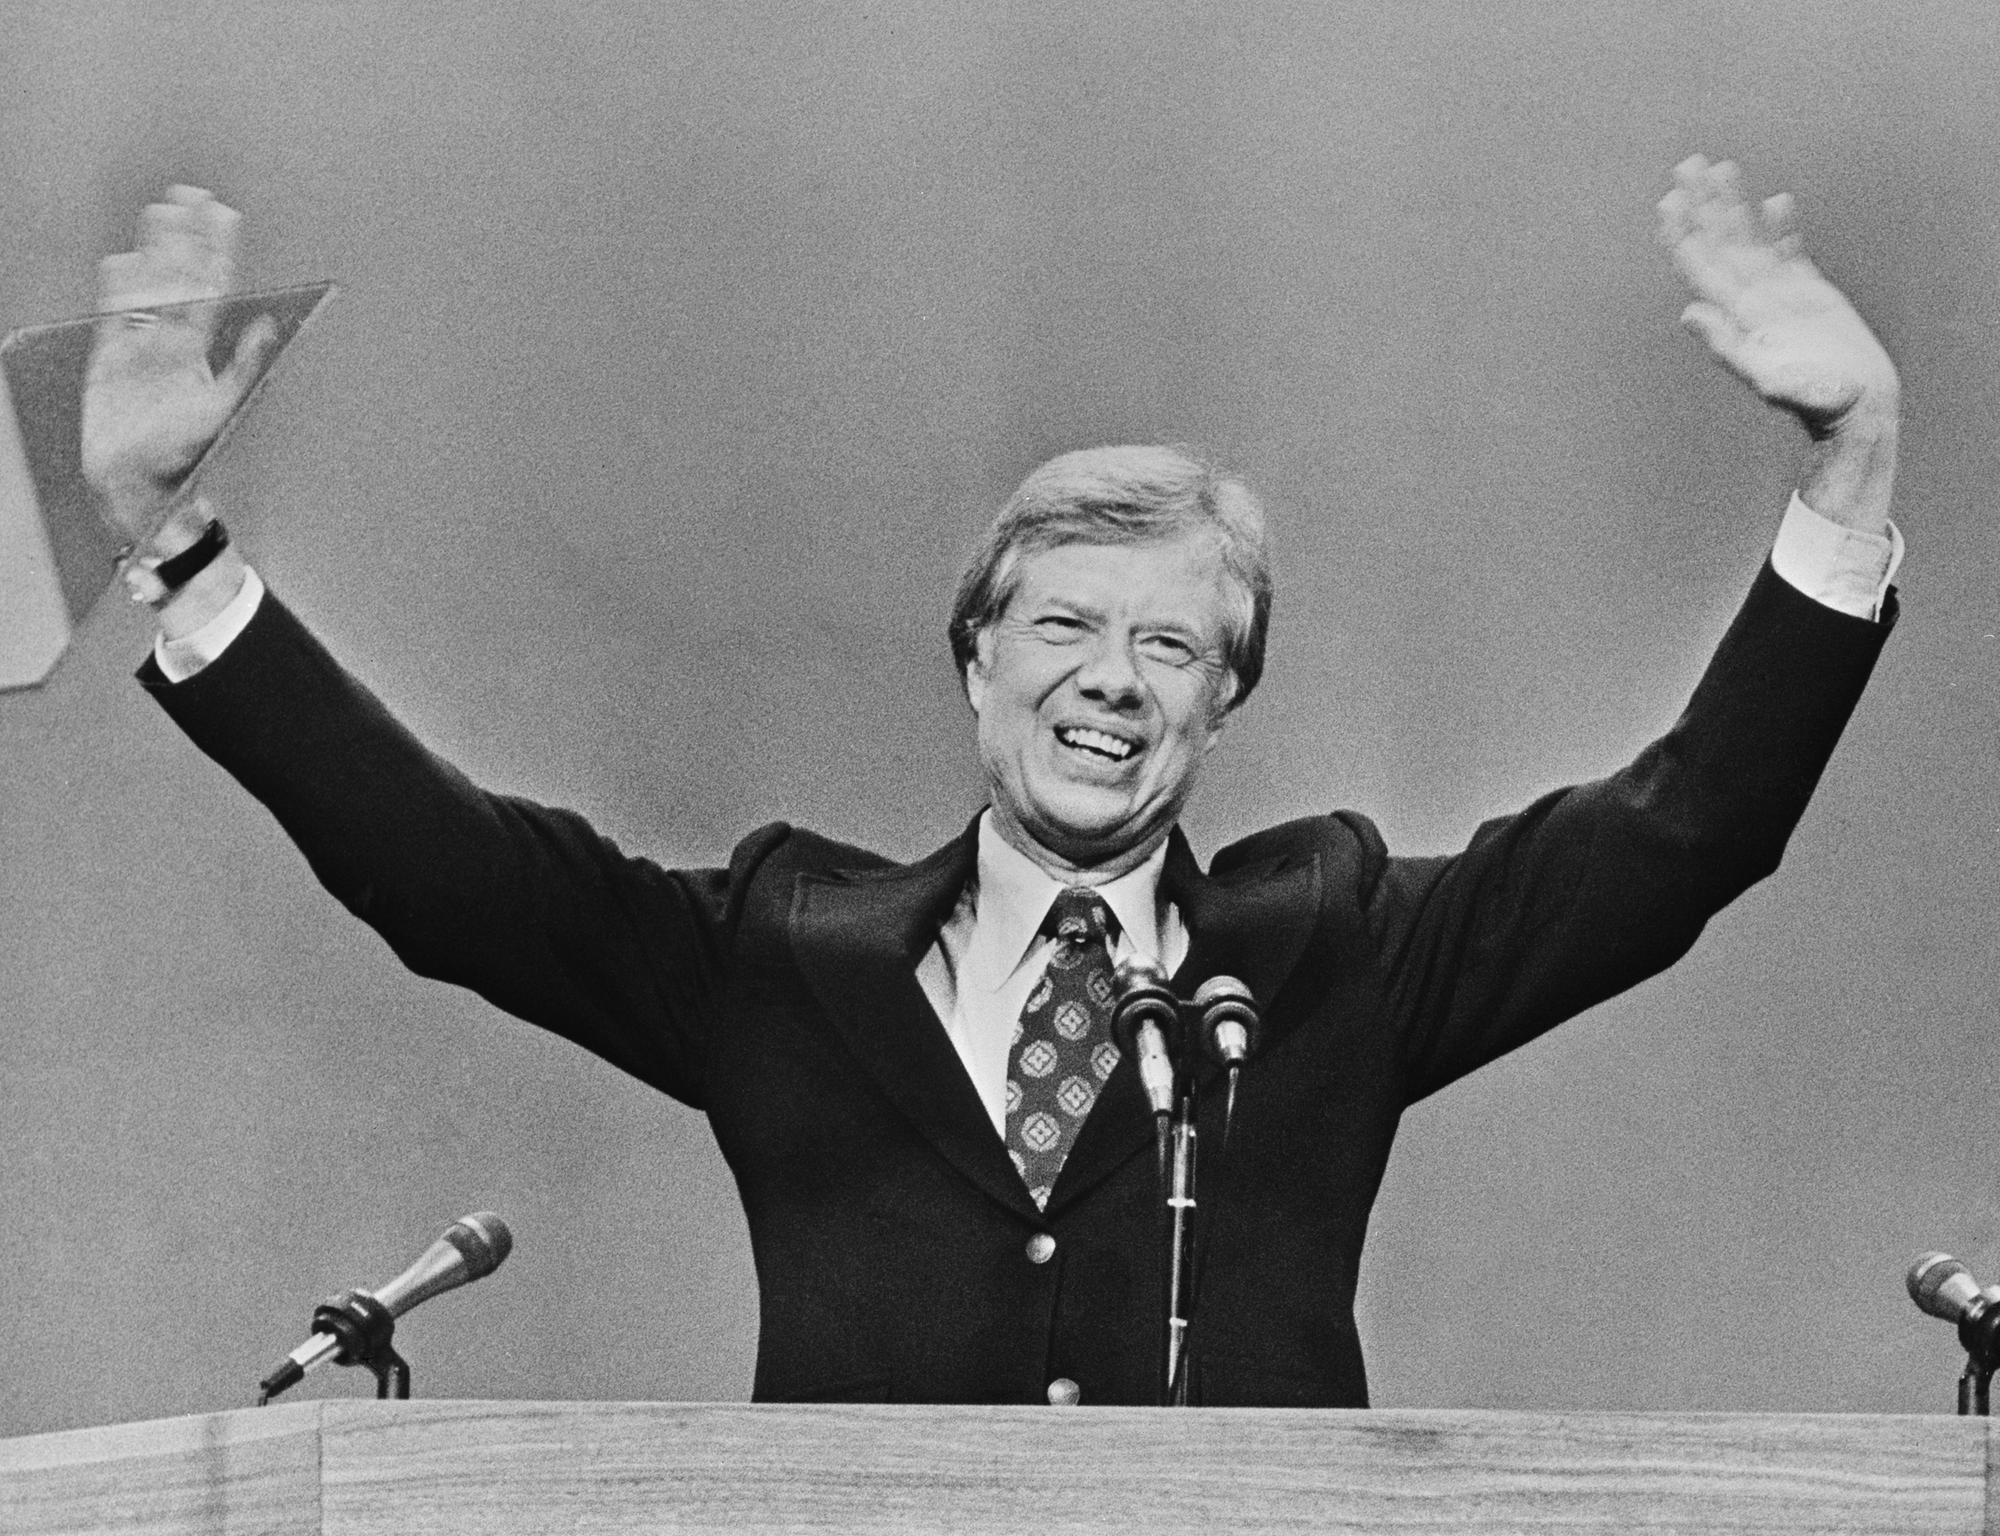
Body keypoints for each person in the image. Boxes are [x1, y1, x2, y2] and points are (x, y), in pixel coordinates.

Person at [81, 158, 1901, 1407]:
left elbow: (1684, 833)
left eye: (1172, 645)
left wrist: (1849, 471)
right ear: (977, 661)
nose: (1112, 678)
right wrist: (173, 541)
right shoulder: (781, 954)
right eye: (1066, 627)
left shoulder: (1332, 948)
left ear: (1221, 705)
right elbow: (448, 872)